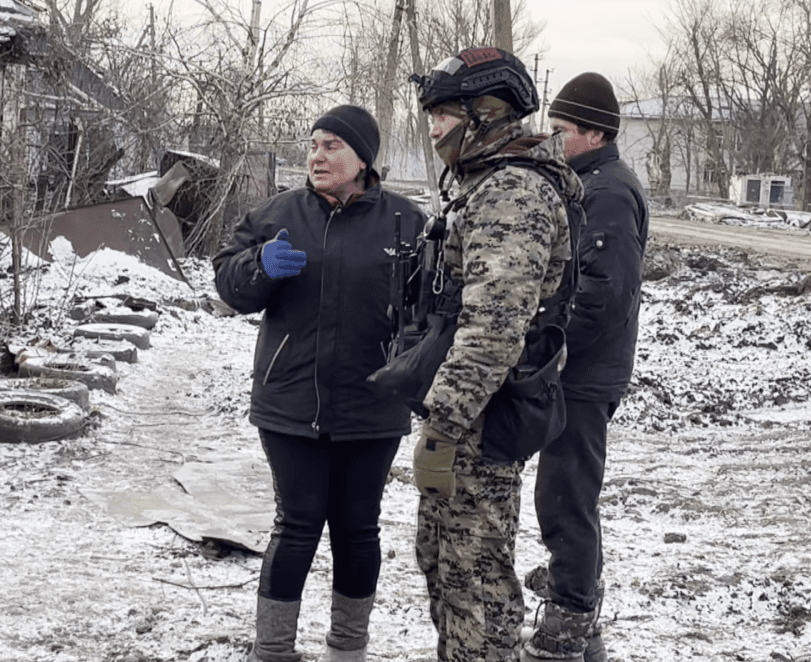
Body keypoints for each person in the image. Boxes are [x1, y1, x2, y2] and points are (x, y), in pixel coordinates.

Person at [212, 105, 425, 662]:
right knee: (299, 522)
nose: (317, 155)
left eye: (332, 145)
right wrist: (259, 264)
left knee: (358, 528)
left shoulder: (405, 223)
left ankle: (347, 649)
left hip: (372, 403)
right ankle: (274, 651)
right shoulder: (278, 214)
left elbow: (430, 309)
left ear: (362, 159)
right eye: (313, 144)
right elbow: (229, 286)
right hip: (289, 400)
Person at [407, 47, 578, 662]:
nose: (432, 129)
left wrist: (444, 423)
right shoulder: (482, 183)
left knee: (475, 578)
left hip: (481, 419)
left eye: (443, 114)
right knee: (444, 564)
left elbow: (493, 329)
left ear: (485, 112)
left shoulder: (513, 190)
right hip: (466, 415)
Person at [522, 72, 649, 662]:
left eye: (563, 129)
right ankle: (576, 594)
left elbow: (604, 294)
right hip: (575, 369)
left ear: (595, 132)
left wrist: (550, 344)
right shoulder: (587, 183)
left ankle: (570, 618)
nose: (554, 138)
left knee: (567, 494)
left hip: (583, 372)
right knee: (563, 490)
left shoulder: (609, 192)